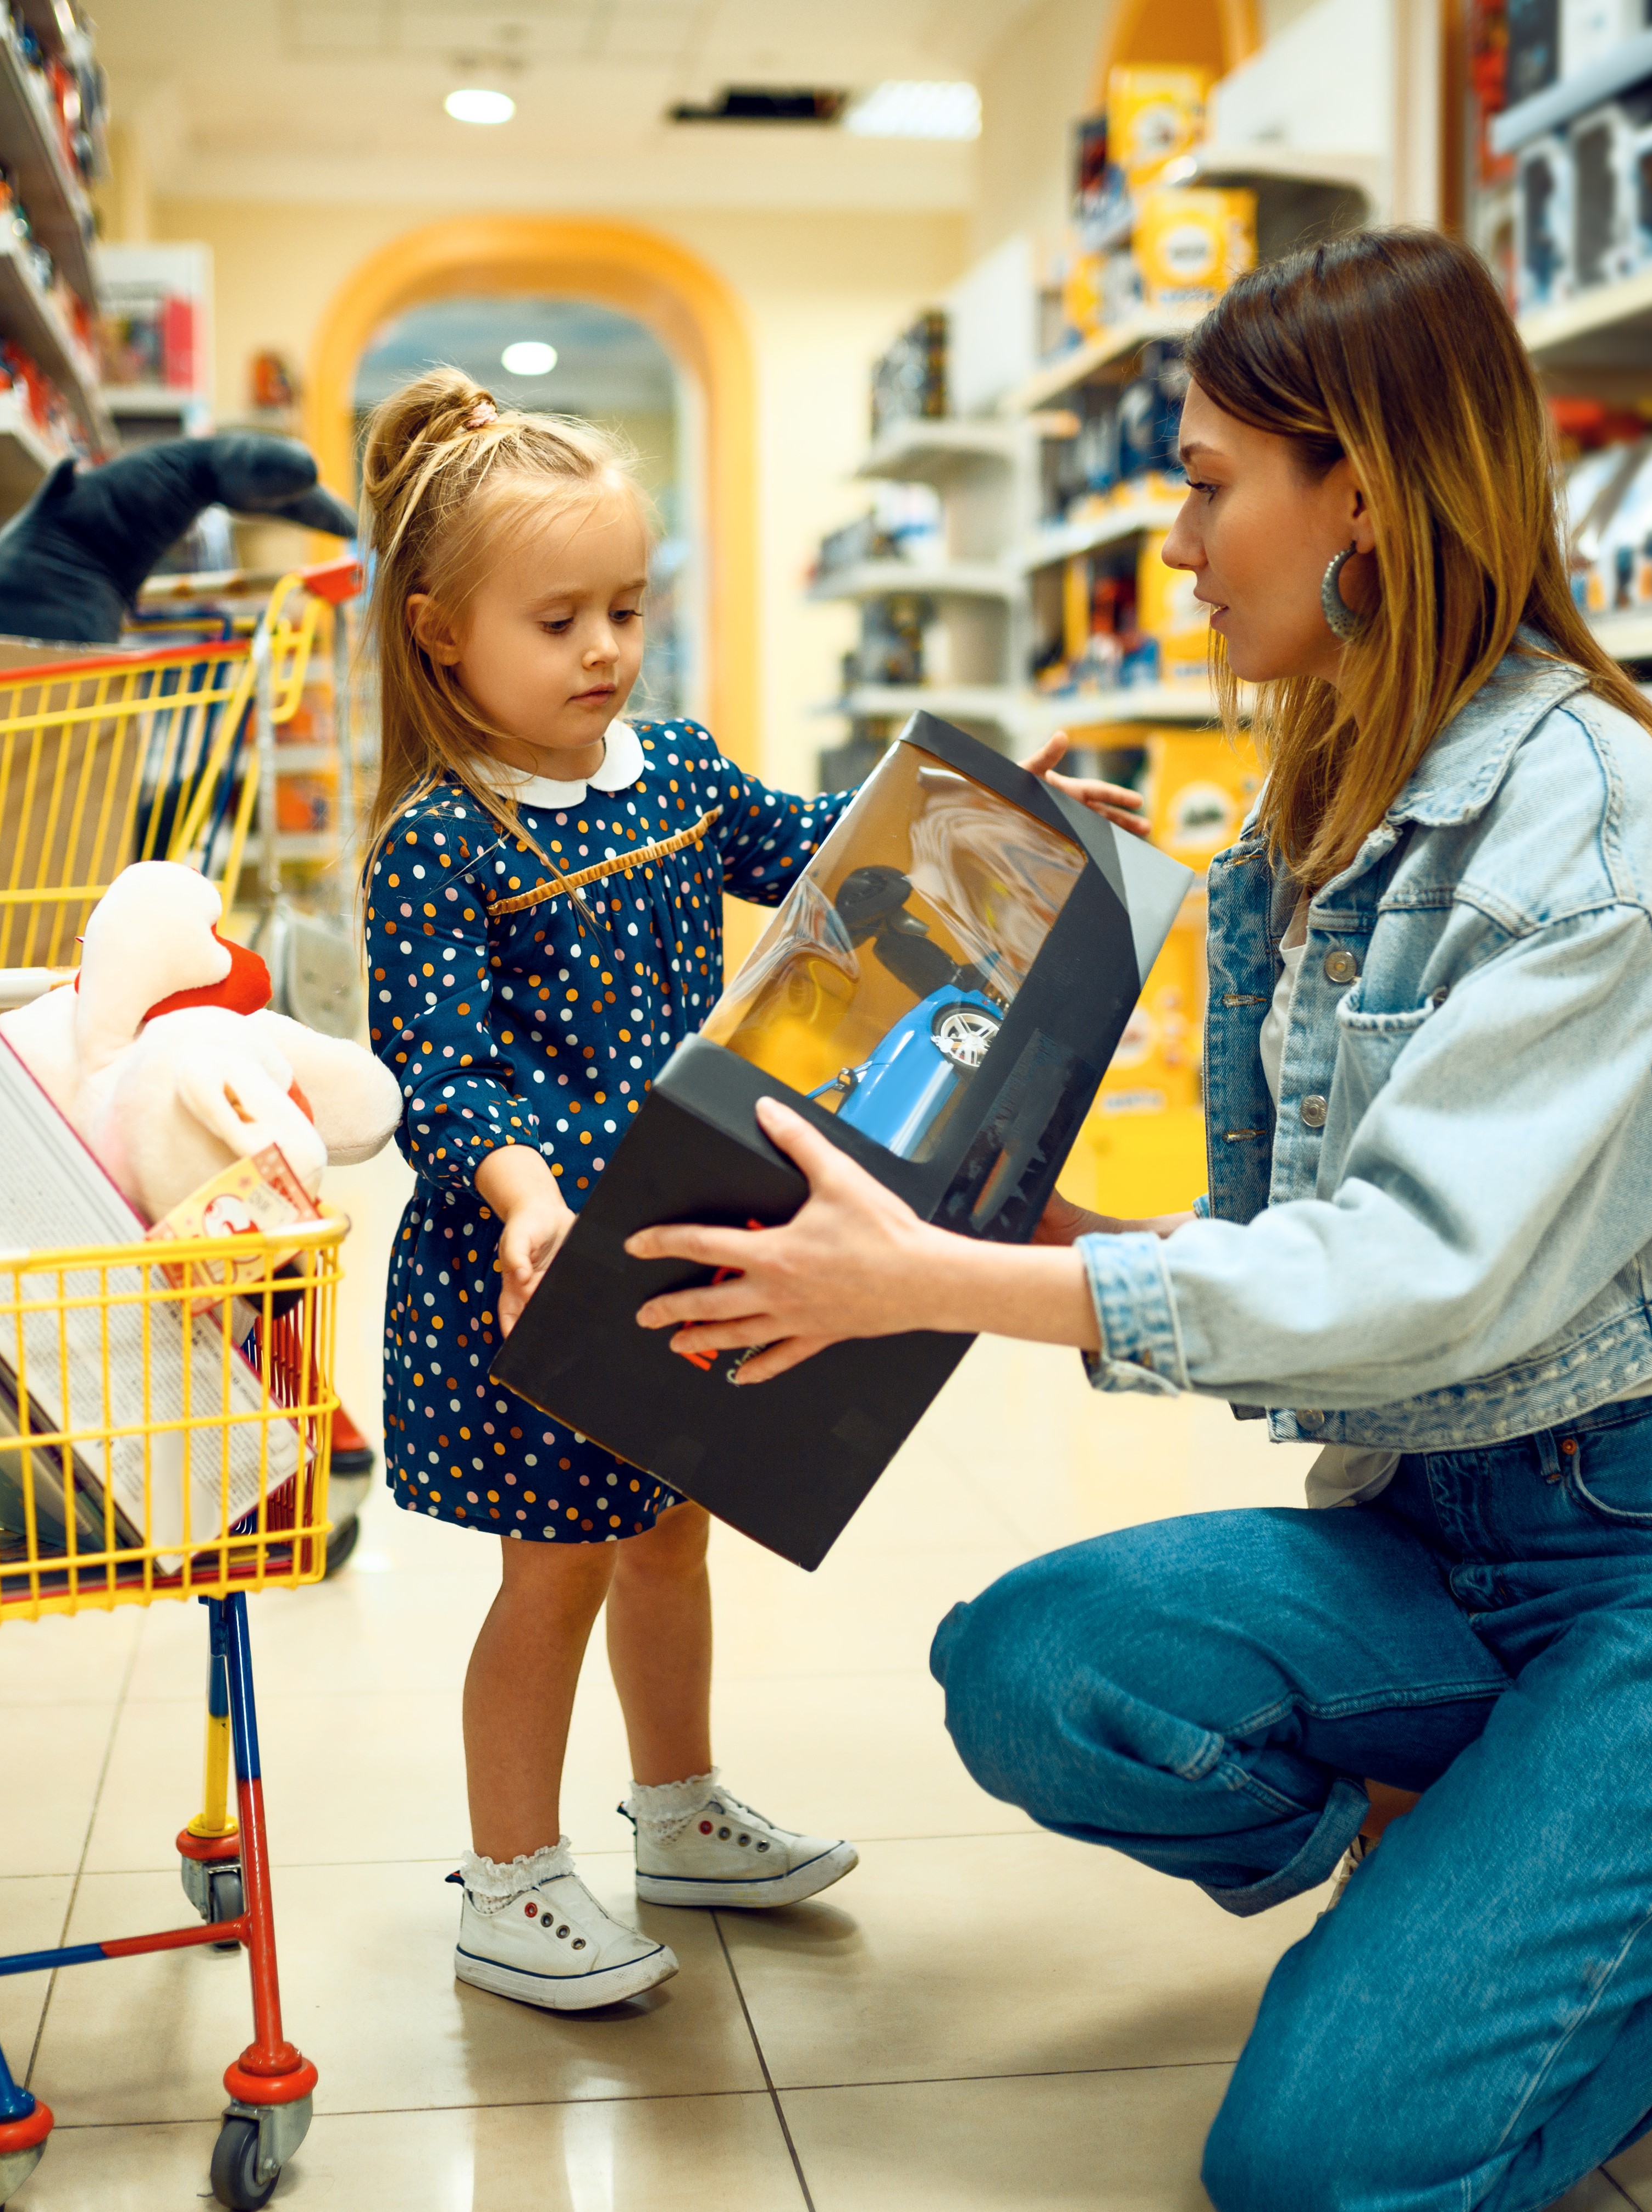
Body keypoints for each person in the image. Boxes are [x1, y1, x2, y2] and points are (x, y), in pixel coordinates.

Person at [620, 230, 1652, 2208]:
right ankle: (1498, 1843)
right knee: (1036, 1664)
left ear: (1358, 485)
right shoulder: (1308, 822)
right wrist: (960, 1176)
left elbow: (1400, 1280)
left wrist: (942, 1279)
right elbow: (1278, 1247)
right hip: (1428, 1523)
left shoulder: (1588, 820)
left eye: (1199, 479)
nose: (1173, 540)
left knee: (1316, 2172)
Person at [354, 364, 1146, 2010]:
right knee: (556, 1563)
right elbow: (435, 1065)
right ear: (439, 633)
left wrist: (1017, 810)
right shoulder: (444, 839)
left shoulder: (673, 772)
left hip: (674, 1227)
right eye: (555, 618)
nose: (602, 652)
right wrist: (514, 1189)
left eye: (625, 610)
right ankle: (505, 1879)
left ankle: (675, 1814)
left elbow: (833, 852)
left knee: (670, 1531)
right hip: (534, 1263)